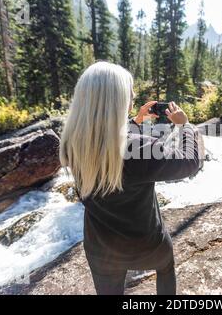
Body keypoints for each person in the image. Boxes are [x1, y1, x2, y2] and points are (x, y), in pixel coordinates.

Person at [60, 61, 204, 295]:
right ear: (116, 100)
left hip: (100, 248)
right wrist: (186, 127)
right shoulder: (139, 147)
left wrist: (135, 123)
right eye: (129, 92)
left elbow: (113, 150)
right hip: (147, 245)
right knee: (166, 267)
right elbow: (189, 162)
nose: (134, 95)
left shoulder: (71, 142)